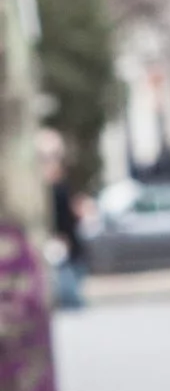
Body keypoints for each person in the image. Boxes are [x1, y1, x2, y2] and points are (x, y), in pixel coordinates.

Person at [39, 130, 86, 311]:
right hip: (55, 250)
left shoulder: (62, 182)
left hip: (70, 249)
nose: (52, 161)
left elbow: (67, 214)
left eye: (55, 155)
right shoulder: (42, 186)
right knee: (70, 301)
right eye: (45, 157)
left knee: (73, 302)